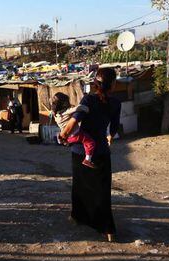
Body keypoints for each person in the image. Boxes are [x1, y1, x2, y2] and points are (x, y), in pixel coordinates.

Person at [60, 68, 121, 242]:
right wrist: (108, 138)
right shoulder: (116, 103)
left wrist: (63, 136)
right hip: (101, 151)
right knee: (102, 191)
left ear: (95, 83)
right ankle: (108, 229)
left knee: (80, 186)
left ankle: (77, 216)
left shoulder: (88, 99)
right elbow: (114, 128)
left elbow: (74, 121)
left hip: (80, 151)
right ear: (113, 84)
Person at [51, 92, 96, 169]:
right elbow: (79, 108)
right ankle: (87, 160)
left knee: (85, 142)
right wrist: (87, 109)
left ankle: (65, 142)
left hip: (68, 137)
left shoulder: (56, 115)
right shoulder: (67, 112)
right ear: (64, 103)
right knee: (91, 143)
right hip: (76, 134)